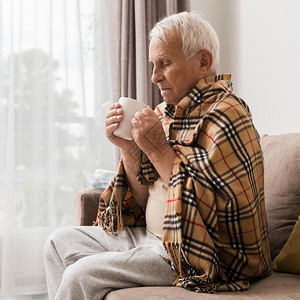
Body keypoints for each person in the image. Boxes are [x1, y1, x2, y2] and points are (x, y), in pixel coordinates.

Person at [44, 12, 271, 299]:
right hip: (152, 237)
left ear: (203, 62)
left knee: (81, 274)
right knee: (57, 242)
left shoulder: (229, 114)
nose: (154, 77)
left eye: (164, 63)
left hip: (198, 252)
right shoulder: (166, 113)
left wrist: (156, 148)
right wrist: (129, 149)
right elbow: (141, 200)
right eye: (153, 65)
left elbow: (208, 214)